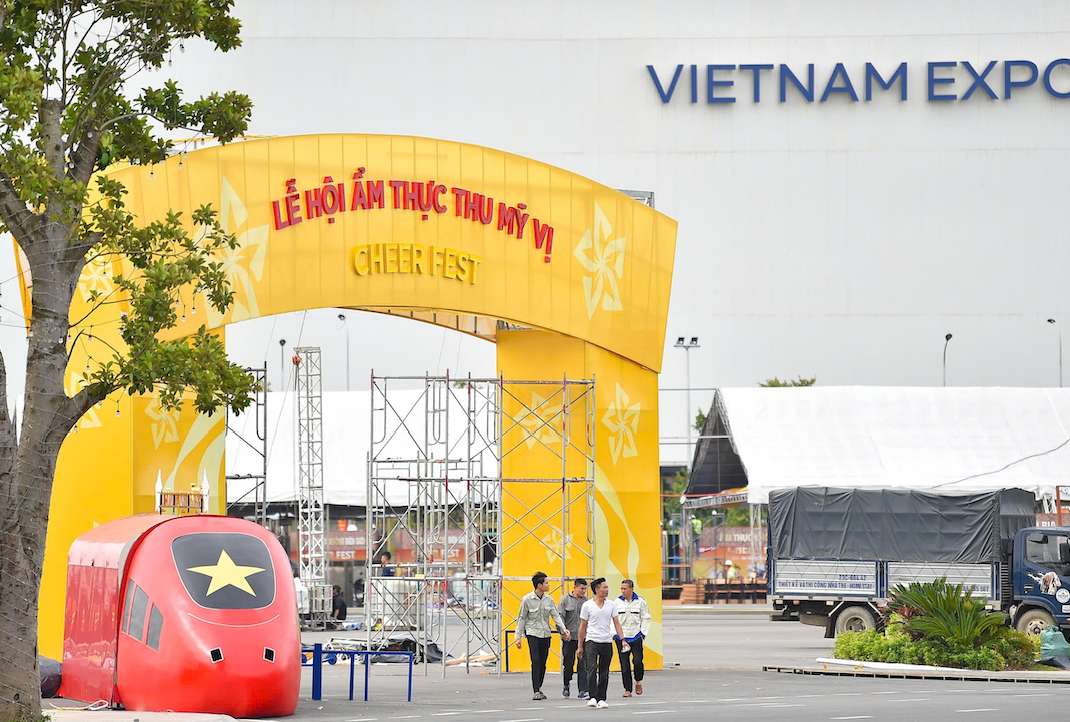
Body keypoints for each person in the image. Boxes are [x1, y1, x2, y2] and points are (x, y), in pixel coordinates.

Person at [515, 571, 570, 701]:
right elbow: (522, 618)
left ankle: (539, 687)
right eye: (546, 583)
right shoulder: (527, 599)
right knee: (536, 660)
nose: (548, 585)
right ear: (539, 585)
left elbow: (555, 615)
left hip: (546, 633)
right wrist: (518, 637)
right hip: (532, 633)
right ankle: (536, 690)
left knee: (543, 662)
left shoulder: (549, 599)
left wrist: (563, 629)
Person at [578, 577, 628, 710]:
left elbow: (617, 623)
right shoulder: (587, 605)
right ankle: (593, 697)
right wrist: (580, 646)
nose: (607, 590)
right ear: (596, 589)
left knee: (604, 671)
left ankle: (601, 698)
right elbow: (582, 627)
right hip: (591, 641)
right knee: (592, 669)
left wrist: (622, 639)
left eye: (607, 587)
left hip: (606, 641)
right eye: (604, 587)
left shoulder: (611, 605)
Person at [614, 579, 651, 697]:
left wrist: (643, 633)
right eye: (621, 589)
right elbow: (612, 619)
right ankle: (627, 689)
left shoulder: (640, 602)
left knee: (637, 661)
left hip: (635, 636)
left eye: (625, 588)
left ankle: (638, 681)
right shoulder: (616, 602)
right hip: (622, 638)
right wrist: (615, 635)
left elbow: (646, 618)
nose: (623, 591)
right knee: (624, 665)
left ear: (631, 589)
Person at [558, 578, 589, 699]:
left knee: (583, 664)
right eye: (581, 588)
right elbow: (559, 617)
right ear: (575, 587)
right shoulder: (565, 600)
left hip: (583, 638)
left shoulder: (586, 602)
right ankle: (566, 684)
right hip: (569, 638)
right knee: (568, 664)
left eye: (585, 589)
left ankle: (583, 690)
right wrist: (563, 632)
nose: (583, 591)